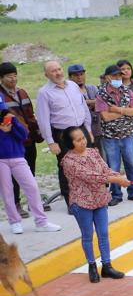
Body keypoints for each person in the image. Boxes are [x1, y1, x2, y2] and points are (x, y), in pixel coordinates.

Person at [61, 126, 128, 283]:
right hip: (82, 202)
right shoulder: (68, 161)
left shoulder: (93, 152)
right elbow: (91, 176)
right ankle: (92, 265)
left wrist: (117, 176)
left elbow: (105, 170)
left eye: (83, 138)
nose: (83, 141)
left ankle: (107, 265)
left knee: (103, 233)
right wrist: (115, 180)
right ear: (70, 143)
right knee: (88, 236)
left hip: (100, 199)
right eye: (78, 140)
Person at [35, 60, 93, 205]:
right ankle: (71, 202)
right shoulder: (44, 93)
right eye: (53, 71)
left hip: (81, 129)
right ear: (46, 74)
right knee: (67, 167)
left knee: (87, 162)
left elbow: (83, 107)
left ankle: (89, 196)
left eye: (59, 69)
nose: (58, 72)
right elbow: (43, 119)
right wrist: (50, 141)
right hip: (62, 134)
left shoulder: (73, 85)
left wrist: (89, 129)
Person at [0, 99, 60, 234]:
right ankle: (14, 221)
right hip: (1, 161)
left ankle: (41, 222)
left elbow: (23, 136)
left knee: (32, 187)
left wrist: (13, 124)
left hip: (17, 157)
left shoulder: (11, 119)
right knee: (7, 191)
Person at [0, 62, 45, 218]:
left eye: (14, 75)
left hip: (28, 139)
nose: (13, 79)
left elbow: (31, 115)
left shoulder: (22, 92)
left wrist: (37, 133)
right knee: (13, 178)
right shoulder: (0, 96)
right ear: (1, 78)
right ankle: (17, 205)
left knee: (30, 173)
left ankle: (34, 205)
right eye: (9, 76)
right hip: (12, 144)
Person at [94, 64, 133, 206]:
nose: (118, 78)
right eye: (115, 76)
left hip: (127, 134)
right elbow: (105, 117)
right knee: (113, 167)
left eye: (119, 76)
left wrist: (116, 109)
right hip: (110, 137)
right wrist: (125, 111)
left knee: (131, 164)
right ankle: (116, 194)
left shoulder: (128, 91)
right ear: (108, 77)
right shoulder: (101, 94)